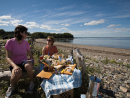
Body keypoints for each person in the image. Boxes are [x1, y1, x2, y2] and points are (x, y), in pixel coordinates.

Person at [5, 25, 35, 97]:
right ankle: (11, 87)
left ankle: (32, 83)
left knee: (28, 65)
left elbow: (30, 54)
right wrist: (15, 66)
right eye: (26, 32)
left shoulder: (26, 42)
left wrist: (32, 61)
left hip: (24, 61)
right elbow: (8, 57)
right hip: (14, 63)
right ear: (20, 33)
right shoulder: (10, 42)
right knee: (18, 73)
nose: (27, 34)